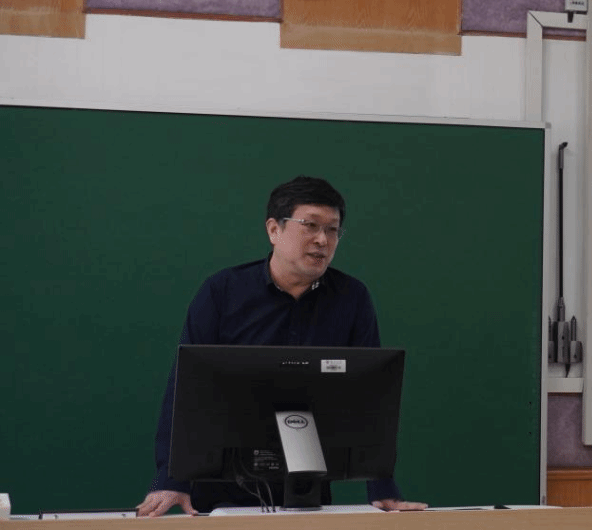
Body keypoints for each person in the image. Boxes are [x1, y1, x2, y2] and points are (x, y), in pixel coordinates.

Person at [136, 176, 427, 516]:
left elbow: (371, 400)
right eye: (310, 226)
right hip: (219, 487)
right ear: (274, 229)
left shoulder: (352, 298)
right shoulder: (222, 292)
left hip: (308, 489)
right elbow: (184, 390)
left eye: (333, 230)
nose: (322, 240)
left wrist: (382, 488)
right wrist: (170, 480)